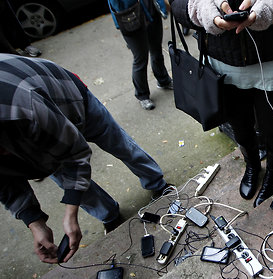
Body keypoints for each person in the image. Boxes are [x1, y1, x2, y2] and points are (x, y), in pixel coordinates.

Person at [0, 54, 172, 263]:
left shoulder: (21, 107)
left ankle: (157, 182)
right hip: (38, 124)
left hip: (71, 100)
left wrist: (70, 213)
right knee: (66, 178)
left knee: (119, 144)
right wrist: (35, 223)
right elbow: (6, 183)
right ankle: (109, 215)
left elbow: (76, 154)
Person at [170, 0, 273, 207]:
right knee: (239, 124)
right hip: (223, 64)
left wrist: (269, 7)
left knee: (272, 127)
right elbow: (177, 4)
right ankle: (252, 166)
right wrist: (203, 10)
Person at [108, 0, 173, 110]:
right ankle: (142, 95)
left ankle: (163, 80)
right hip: (130, 16)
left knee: (156, 51)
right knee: (141, 59)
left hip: (151, 11)